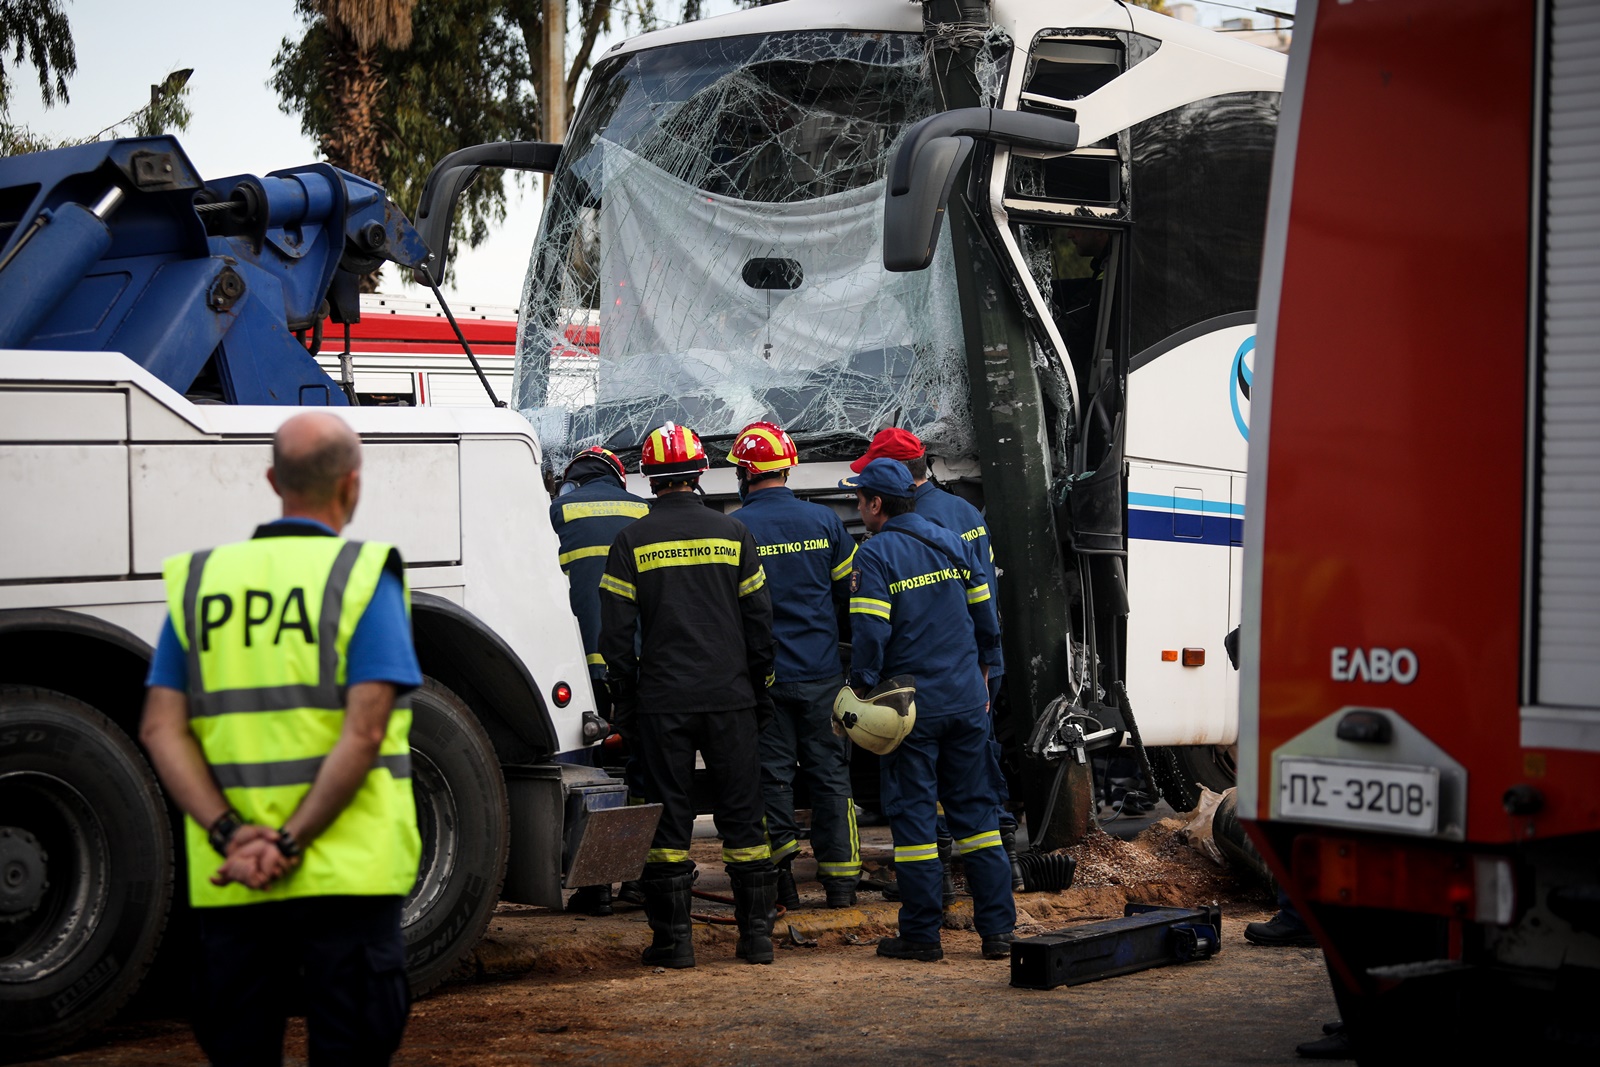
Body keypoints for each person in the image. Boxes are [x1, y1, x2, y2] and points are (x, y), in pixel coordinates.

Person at [138, 411, 421, 1067]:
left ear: (273, 479)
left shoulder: (202, 582)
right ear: (352, 485)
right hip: (347, 874)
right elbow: (367, 729)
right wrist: (291, 839)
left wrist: (233, 834)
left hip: (235, 879)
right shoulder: (361, 576)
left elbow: (159, 726)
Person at [598, 421, 779, 967]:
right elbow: (759, 623)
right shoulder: (734, 535)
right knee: (745, 817)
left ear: (649, 479)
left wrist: (625, 701)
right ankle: (758, 940)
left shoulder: (630, 541)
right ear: (701, 472)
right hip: (731, 698)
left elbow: (614, 635)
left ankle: (674, 944)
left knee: (669, 822)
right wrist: (760, 688)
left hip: (662, 702)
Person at [842, 458, 1014, 961]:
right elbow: (988, 618)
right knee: (979, 821)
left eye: (860, 500)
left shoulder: (873, 556)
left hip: (910, 708)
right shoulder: (952, 542)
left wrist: (861, 688)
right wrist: (987, 675)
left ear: (877, 504)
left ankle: (921, 936)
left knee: (915, 825)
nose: (858, 508)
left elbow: (870, 633)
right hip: (966, 702)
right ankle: (998, 934)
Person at [727, 420, 861, 910]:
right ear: (788, 467)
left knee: (772, 780)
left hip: (763, 680)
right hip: (823, 676)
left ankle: (781, 883)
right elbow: (850, 598)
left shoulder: (737, 528)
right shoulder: (825, 522)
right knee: (831, 779)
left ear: (744, 472)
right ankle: (842, 885)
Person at [548, 445, 651, 916]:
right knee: (642, 770)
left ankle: (595, 888)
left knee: (591, 775)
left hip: (578, 668)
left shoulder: (556, 512)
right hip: (639, 664)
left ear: (574, 480)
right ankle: (642, 880)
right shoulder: (644, 511)